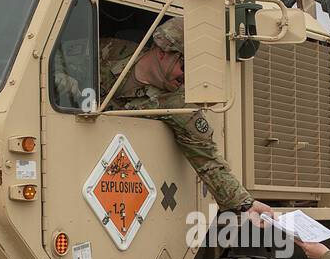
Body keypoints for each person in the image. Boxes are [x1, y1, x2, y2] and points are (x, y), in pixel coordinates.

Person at [56, 18, 271, 219]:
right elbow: (50, 59)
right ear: (163, 52)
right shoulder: (108, 51)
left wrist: (244, 204)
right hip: (67, 162)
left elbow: (207, 158)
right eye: (185, 67)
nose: (187, 78)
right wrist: (63, 83)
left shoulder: (179, 103)